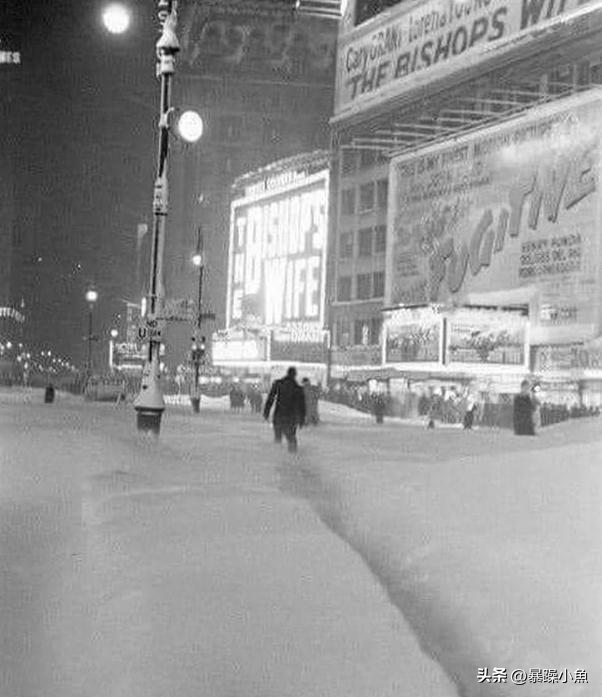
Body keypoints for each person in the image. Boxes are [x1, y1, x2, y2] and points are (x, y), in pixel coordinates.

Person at [263, 367, 306, 453]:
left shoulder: (278, 383)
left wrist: (266, 412)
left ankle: (277, 457)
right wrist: (302, 419)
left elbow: (270, 398)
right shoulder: (298, 388)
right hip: (291, 417)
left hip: (279, 415)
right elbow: (302, 406)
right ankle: (292, 457)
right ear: (295, 375)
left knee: (278, 438)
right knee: (291, 438)